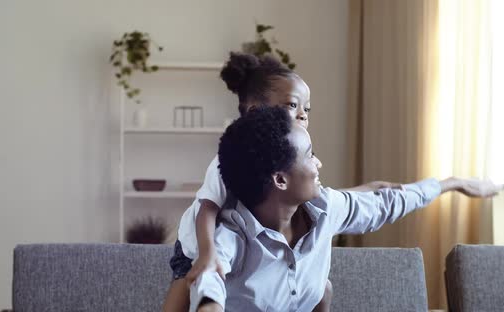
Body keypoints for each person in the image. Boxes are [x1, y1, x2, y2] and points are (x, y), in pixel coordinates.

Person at [192, 106, 500, 311]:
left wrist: (452, 183)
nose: (318, 163)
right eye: (310, 155)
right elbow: (209, 285)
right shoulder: (232, 235)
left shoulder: (327, 208)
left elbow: (388, 202)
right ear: (281, 180)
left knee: (324, 289)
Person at [164, 53, 398, 312]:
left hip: (243, 247)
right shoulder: (233, 156)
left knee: (323, 288)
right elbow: (207, 208)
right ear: (255, 112)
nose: (302, 116)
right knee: (185, 292)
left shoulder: (290, 157)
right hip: (198, 243)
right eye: (292, 105)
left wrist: (368, 189)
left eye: (306, 110)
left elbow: (320, 196)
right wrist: (207, 255)